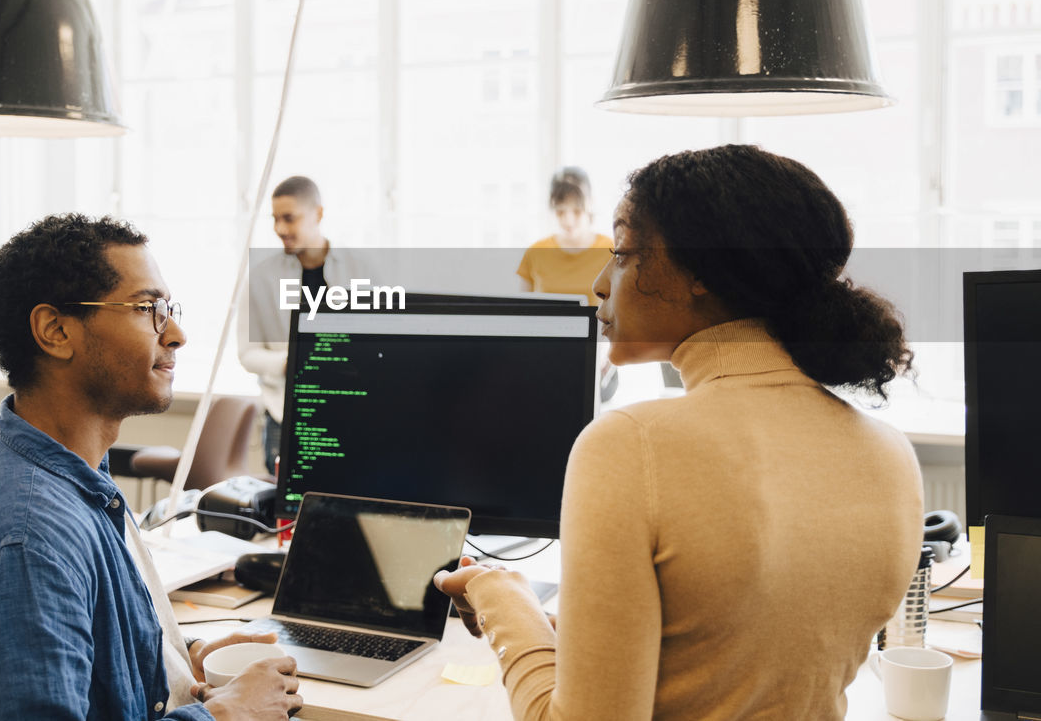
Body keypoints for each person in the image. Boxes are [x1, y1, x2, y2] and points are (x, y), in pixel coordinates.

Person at [435, 145, 924, 720]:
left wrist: (498, 595)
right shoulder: (892, 456)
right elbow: (722, 654)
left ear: (698, 271)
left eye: (621, 253)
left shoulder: (629, 444)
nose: (598, 283)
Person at [0, 214, 302, 721]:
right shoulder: (27, 538)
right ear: (56, 331)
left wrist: (179, 656)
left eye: (168, 308)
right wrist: (228, 714)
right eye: (147, 308)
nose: (175, 333)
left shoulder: (43, 460)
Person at [238, 176, 376, 475]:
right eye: (275, 219)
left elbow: (380, 342)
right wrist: (292, 363)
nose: (280, 229)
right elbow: (247, 354)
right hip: (285, 416)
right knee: (288, 516)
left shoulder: (361, 269)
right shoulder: (260, 278)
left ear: (319, 214)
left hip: (350, 412)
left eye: (289, 218)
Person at [516, 166, 613, 306]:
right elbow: (522, 311)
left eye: (577, 211)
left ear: (590, 204)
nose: (568, 221)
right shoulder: (536, 252)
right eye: (560, 212)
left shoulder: (610, 250)